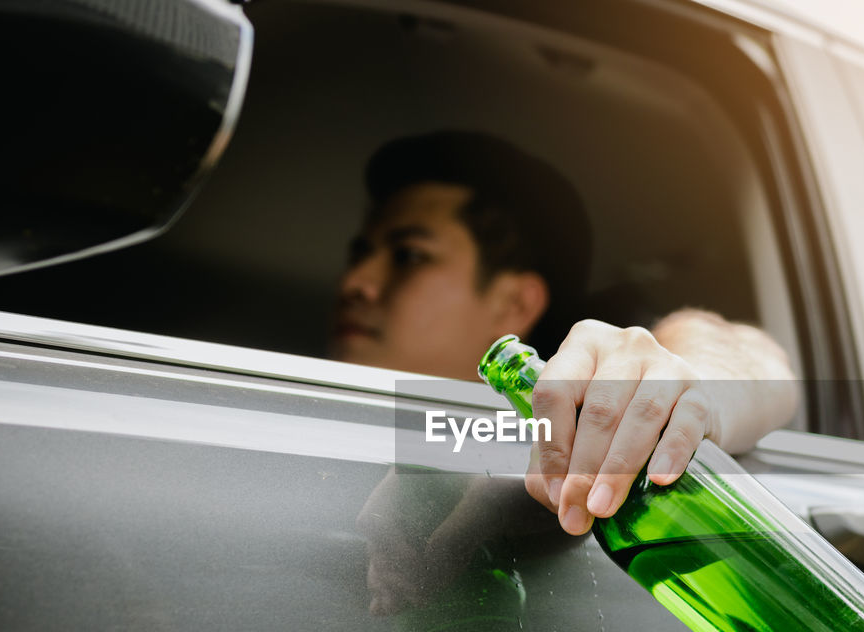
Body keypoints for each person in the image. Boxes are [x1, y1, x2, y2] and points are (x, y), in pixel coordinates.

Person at [332, 131, 798, 537]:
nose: (355, 282)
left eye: (409, 256)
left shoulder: (554, 434)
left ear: (515, 304)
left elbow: (746, 352)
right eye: (360, 253)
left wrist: (674, 388)